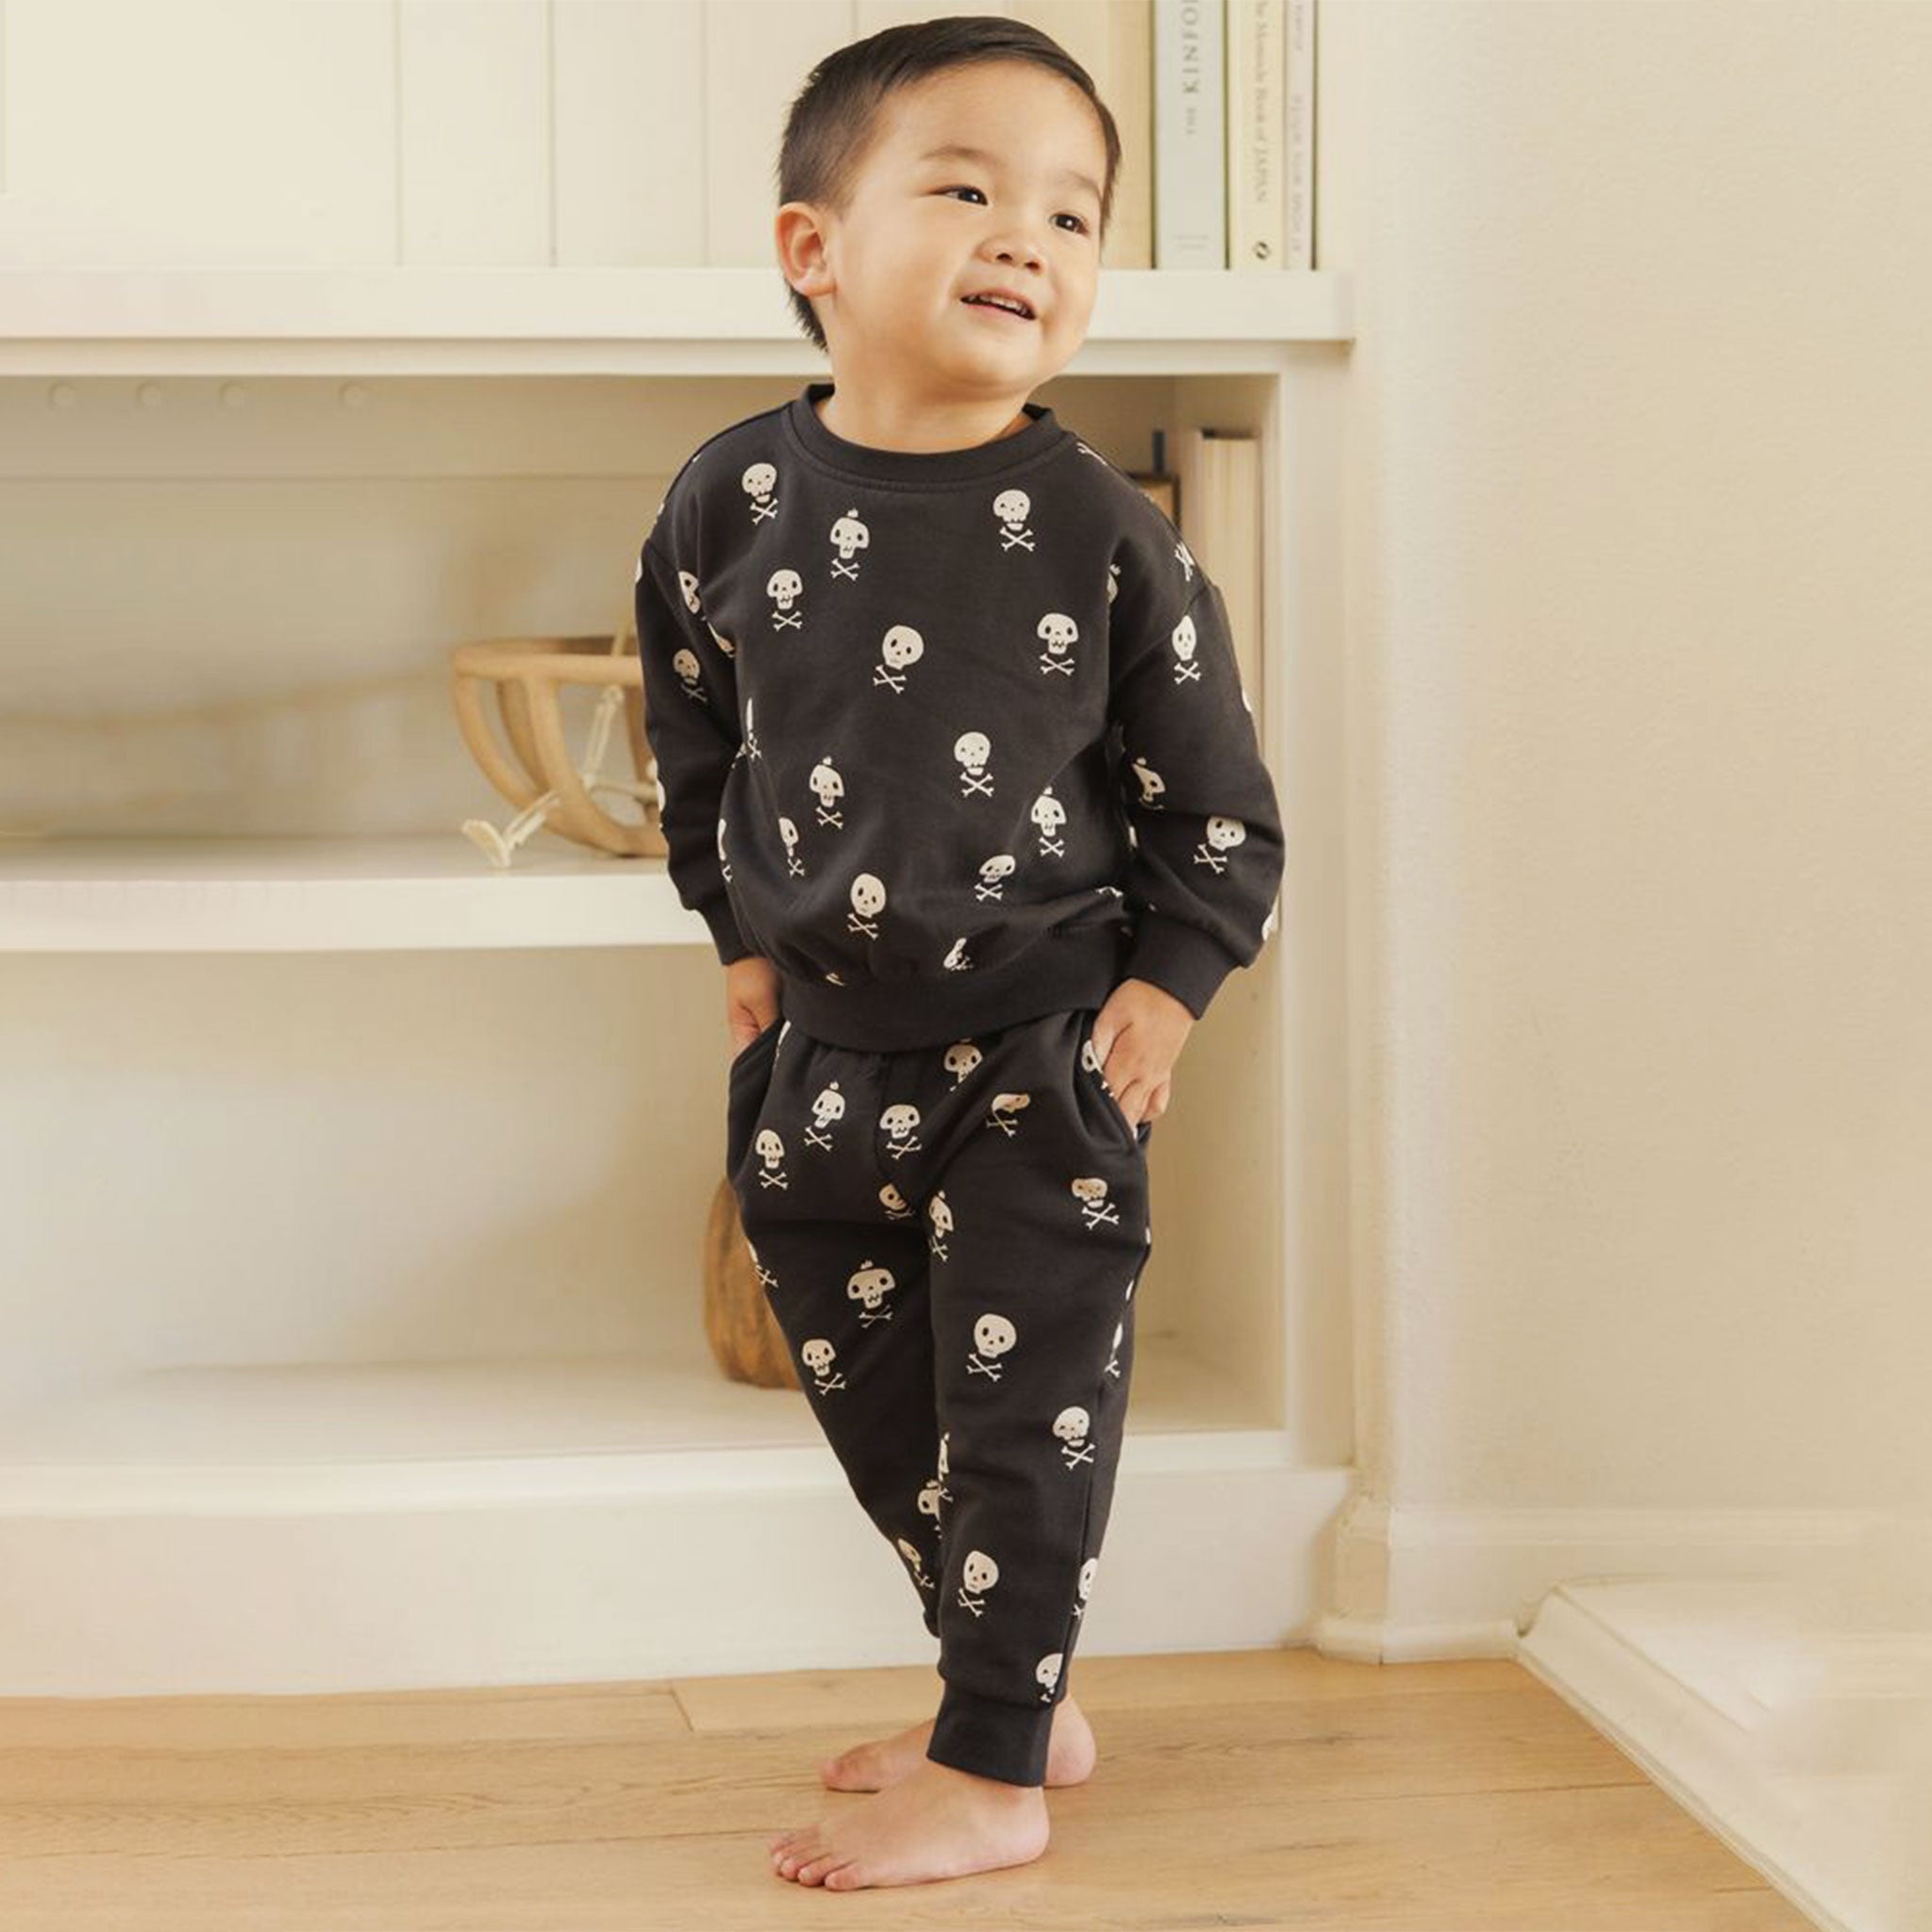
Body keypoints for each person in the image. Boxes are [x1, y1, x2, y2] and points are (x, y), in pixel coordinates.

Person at [632, 14, 1284, 1892]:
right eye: (970, 187)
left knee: (1022, 1416)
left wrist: (1163, 993)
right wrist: (736, 944)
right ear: (810, 250)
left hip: (1036, 1059)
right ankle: (1018, 1687)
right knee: (879, 1404)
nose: (1031, 232)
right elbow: (692, 731)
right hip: (818, 1064)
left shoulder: (1099, 534)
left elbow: (1217, 810)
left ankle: (993, 1767)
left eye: (1074, 212)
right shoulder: (726, 501)